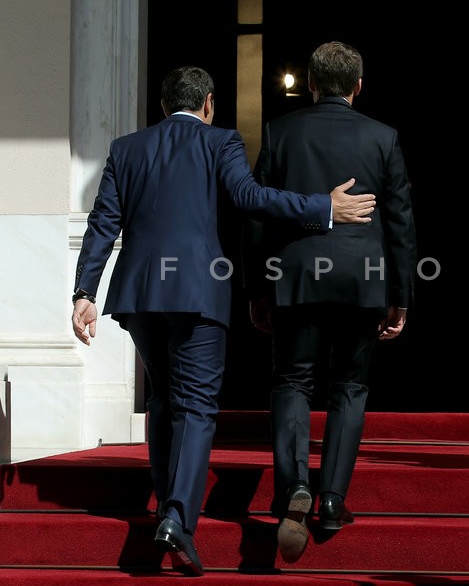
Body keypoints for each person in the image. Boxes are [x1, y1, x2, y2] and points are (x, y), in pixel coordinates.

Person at [71, 65, 377, 576]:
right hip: (196, 292)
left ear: (164, 106)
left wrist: (85, 290)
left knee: (164, 400)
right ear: (209, 103)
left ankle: (169, 503)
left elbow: (104, 220)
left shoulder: (127, 148)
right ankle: (176, 519)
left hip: (139, 294)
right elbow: (252, 198)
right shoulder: (221, 143)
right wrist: (322, 206)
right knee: (195, 406)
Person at [243, 41, 417, 564]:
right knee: (350, 386)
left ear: (313, 84)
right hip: (363, 281)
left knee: (293, 381)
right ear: (358, 87)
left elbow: (257, 214)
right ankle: (334, 498)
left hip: (296, 278)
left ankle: (295, 484)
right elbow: (400, 223)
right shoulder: (383, 137)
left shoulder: (280, 132)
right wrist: (400, 296)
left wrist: (256, 286)